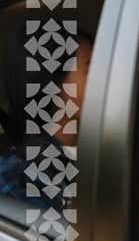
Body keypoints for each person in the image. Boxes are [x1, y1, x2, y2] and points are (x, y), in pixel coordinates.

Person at [0, 31, 91, 211]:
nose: (106, 78)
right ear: (53, 87)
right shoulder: (21, 177)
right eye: (89, 70)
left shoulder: (101, 151)